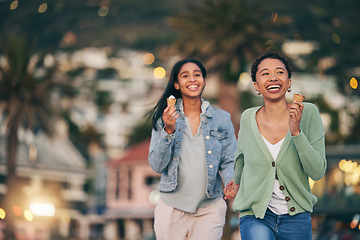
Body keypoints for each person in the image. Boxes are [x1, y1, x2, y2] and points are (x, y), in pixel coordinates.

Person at [224, 51, 327, 240]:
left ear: (289, 82)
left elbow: (317, 171)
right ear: (256, 85)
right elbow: (241, 157)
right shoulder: (248, 117)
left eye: (280, 72)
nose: (273, 77)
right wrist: (236, 184)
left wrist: (296, 132)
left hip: (297, 218)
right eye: (265, 73)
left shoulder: (309, 113)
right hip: (255, 214)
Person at [148, 58, 236, 240]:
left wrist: (230, 181)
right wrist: (169, 131)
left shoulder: (222, 119)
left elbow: (229, 160)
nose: (192, 79)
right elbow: (157, 165)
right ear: (177, 84)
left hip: (209, 208)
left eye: (197, 75)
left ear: (204, 80)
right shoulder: (164, 119)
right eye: (185, 75)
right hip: (171, 207)